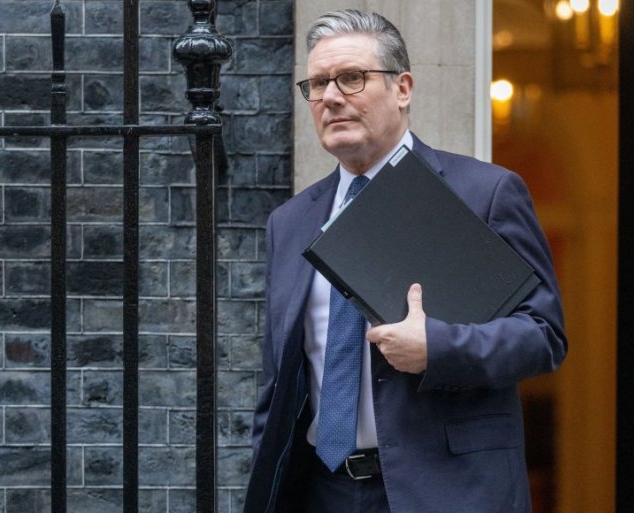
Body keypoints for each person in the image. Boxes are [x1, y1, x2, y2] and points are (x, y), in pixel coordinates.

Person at [243, 9, 567, 513]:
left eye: (352, 77)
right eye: (318, 84)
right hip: (321, 492)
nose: (331, 97)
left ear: (403, 88)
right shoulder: (289, 222)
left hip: (447, 492)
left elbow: (543, 335)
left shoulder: (484, 193)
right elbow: (279, 383)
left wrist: (437, 347)